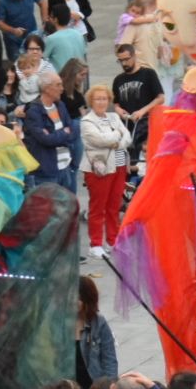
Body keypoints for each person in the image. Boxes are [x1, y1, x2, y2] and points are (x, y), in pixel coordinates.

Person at [78, 89, 131, 261]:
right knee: (97, 207)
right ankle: (95, 245)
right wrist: (117, 136)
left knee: (114, 206)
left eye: (104, 98)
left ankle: (112, 240)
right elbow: (99, 140)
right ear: (91, 101)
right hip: (99, 168)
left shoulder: (114, 117)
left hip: (120, 164)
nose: (101, 102)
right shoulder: (86, 121)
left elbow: (127, 138)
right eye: (97, 99)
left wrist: (116, 139)